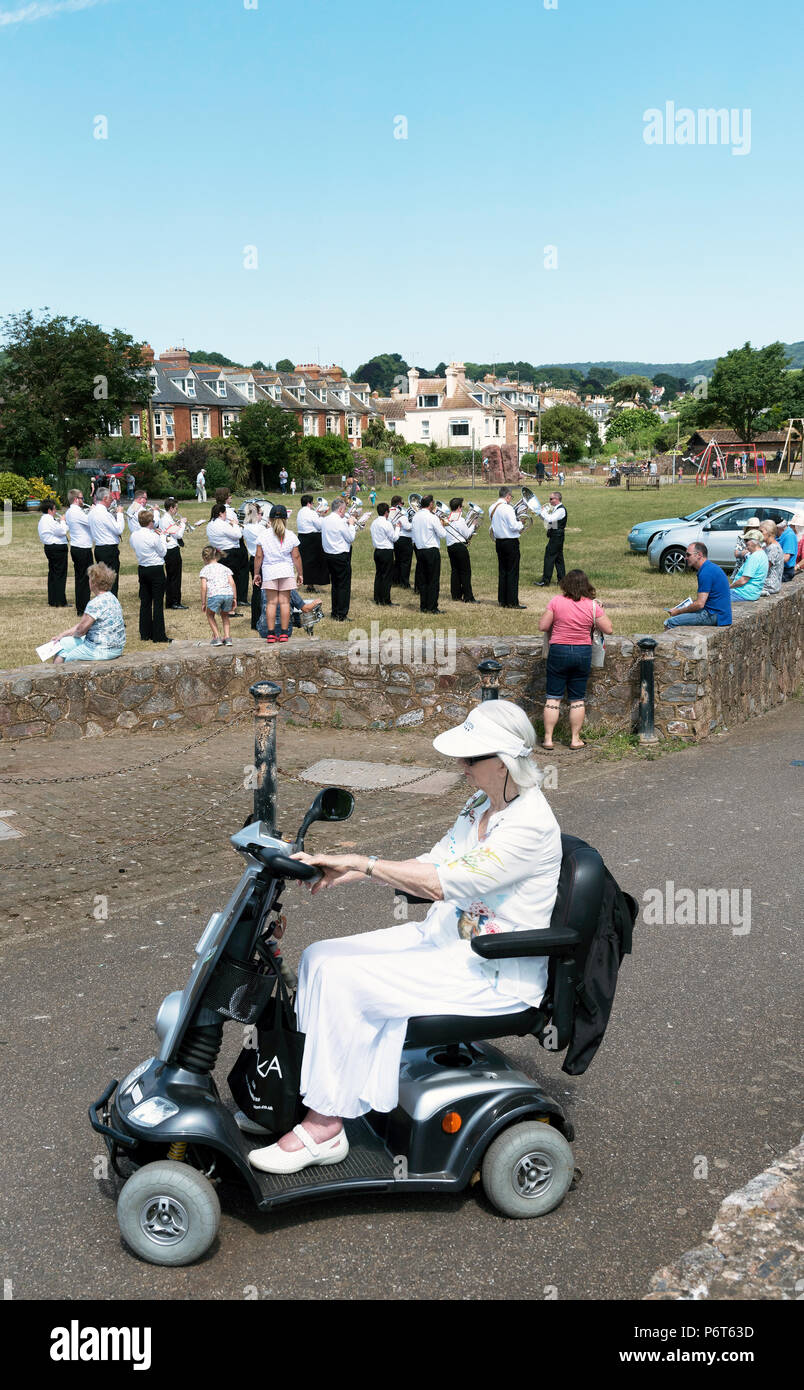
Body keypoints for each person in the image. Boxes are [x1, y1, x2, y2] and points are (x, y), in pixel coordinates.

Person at [243, 699, 563, 1174]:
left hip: (490, 968)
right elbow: (434, 861)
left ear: (502, 762)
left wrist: (364, 863)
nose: (460, 766)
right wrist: (346, 870)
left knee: (347, 981)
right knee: (318, 958)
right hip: (445, 940)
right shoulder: (482, 803)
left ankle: (325, 1128)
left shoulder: (530, 826)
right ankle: (307, 1091)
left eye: (470, 759)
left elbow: (442, 884)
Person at [539, 570, 613, 751]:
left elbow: (543, 626)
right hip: (582, 652)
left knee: (553, 698)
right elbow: (609, 629)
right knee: (577, 699)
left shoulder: (556, 601)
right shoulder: (592, 606)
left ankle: (548, 739)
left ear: (565, 584)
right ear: (586, 585)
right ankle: (575, 738)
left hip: (558, 651)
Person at [50, 563, 126, 662]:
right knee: (64, 642)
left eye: (90, 579)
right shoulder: (112, 598)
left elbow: (81, 630)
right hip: (117, 648)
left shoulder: (95, 603)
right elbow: (84, 625)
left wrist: (71, 636)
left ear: (94, 583)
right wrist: (63, 635)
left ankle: (58, 675)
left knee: (69, 655)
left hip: (101, 649)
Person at [254, 504, 303, 644]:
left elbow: (258, 557)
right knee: (285, 603)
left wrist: (257, 573)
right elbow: (296, 557)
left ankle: (270, 633)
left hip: (269, 571)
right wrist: (300, 573)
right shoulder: (291, 535)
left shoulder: (263, 535)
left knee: (271, 603)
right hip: (286, 571)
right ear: (286, 518)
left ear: (269, 518)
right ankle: (283, 633)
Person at [664, 542, 732, 628]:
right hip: (721, 615)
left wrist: (678, 611)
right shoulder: (710, 567)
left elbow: (700, 604)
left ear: (699, 555)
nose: (685, 558)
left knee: (670, 622)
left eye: (688, 555)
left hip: (715, 615)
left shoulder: (706, 572)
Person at [129, 509, 170, 643]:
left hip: (143, 568)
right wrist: (162, 537)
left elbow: (134, 547)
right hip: (156, 569)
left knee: (145, 602)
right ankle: (159, 635)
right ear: (150, 522)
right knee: (157, 603)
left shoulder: (134, 535)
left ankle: (145, 633)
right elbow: (163, 552)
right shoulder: (153, 536)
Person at [206, 502, 246, 615]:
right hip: (230, 553)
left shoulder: (210, 524)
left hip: (219, 552)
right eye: (224, 514)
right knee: (232, 580)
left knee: (223, 580)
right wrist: (235, 525)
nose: (225, 516)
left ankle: (223, 606)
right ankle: (230, 609)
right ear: (220, 513)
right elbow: (237, 535)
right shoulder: (222, 524)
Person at [321, 496, 356, 622]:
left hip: (329, 555)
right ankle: (342, 613)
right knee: (344, 586)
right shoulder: (340, 522)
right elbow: (350, 538)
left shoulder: (325, 520)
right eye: (344, 510)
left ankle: (335, 611)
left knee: (335, 584)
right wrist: (351, 525)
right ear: (341, 510)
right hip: (340, 555)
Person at [489, 487, 525, 609]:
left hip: (499, 541)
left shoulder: (492, 507)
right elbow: (514, 526)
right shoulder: (508, 508)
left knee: (503, 571)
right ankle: (512, 601)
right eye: (511, 497)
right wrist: (521, 522)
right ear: (508, 496)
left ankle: (502, 600)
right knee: (512, 572)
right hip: (510, 542)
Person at [411, 494, 446, 614]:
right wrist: (441, 524)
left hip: (419, 550)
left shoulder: (416, 516)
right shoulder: (432, 517)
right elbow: (442, 534)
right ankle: (432, 606)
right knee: (433, 579)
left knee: (423, 579)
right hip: (431, 550)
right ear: (430, 504)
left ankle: (424, 606)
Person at [213, 488, 249, 604]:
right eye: (229, 495)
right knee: (242, 570)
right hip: (234, 543)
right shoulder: (229, 511)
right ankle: (241, 597)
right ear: (225, 498)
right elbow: (235, 527)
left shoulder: (217, 509)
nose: (231, 497)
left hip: (223, 544)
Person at [88, 487, 125, 596]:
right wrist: (120, 514)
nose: (112, 500)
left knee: (102, 580)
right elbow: (119, 529)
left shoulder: (92, 512)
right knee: (111, 580)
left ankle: (103, 599)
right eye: (110, 498)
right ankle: (111, 602)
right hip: (109, 549)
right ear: (104, 498)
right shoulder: (104, 513)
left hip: (99, 547)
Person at [64, 487, 94, 614]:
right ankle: (83, 607)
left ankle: (81, 607)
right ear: (76, 499)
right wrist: (92, 511)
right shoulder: (76, 512)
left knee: (80, 578)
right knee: (84, 579)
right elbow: (90, 522)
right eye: (81, 498)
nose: (83, 500)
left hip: (78, 547)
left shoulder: (71, 511)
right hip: (82, 548)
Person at [200, 544, 237, 646]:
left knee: (210, 615)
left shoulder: (205, 570)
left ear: (204, 558)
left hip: (215, 595)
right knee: (225, 615)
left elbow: (204, 587)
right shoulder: (225, 568)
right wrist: (234, 598)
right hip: (228, 594)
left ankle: (216, 637)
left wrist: (203, 602)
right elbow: (232, 583)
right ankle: (228, 637)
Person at [37, 500, 69, 607]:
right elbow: (62, 531)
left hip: (50, 548)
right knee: (60, 575)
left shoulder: (44, 519)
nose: (56, 511)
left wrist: (61, 523)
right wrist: (63, 521)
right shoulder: (49, 520)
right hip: (57, 548)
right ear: (49, 510)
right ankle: (60, 601)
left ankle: (53, 599)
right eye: (54, 509)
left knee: (53, 574)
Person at [445, 497, 477, 603]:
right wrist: (473, 525)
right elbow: (467, 534)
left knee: (455, 571)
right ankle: (468, 596)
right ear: (459, 507)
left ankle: (456, 595)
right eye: (462, 506)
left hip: (450, 547)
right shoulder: (460, 519)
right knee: (465, 572)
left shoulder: (447, 518)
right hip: (460, 547)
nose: (462, 508)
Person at [158, 498, 188, 610]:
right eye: (176, 508)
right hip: (171, 549)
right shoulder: (167, 519)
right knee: (175, 577)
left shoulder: (167, 519)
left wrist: (178, 523)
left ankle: (171, 601)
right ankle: (175, 601)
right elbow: (178, 535)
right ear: (171, 508)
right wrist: (183, 524)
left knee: (171, 577)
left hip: (169, 549)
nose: (177, 510)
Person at [296, 494, 329, 593]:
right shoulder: (311, 513)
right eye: (312, 503)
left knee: (306, 562)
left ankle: (309, 584)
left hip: (302, 538)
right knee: (315, 562)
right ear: (309, 503)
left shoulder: (300, 512)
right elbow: (319, 526)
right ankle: (313, 583)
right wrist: (322, 516)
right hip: (312, 539)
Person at [242, 503, 266, 629]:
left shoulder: (246, 528)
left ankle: (255, 620)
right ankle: (261, 619)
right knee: (261, 590)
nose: (262, 516)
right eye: (261, 513)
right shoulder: (260, 528)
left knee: (256, 590)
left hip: (252, 557)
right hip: (261, 559)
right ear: (256, 514)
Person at [536, 491, 567, 587]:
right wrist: (539, 513)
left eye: (551, 499)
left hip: (557, 537)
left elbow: (550, 519)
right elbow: (549, 521)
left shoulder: (561, 510)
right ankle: (562, 580)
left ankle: (545, 581)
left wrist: (542, 511)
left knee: (549, 557)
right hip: (555, 536)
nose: (549, 501)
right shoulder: (555, 509)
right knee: (558, 559)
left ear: (557, 499)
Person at [729, 530, 769, 602]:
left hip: (743, 593)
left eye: (746, 540)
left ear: (754, 542)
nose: (745, 543)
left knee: (712, 598)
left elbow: (743, 580)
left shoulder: (754, 557)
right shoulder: (762, 554)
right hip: (752, 593)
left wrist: (729, 587)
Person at [370, 503, 397, 607]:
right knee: (387, 576)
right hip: (386, 551)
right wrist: (398, 528)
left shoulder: (374, 522)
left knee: (379, 575)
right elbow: (394, 538)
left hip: (377, 551)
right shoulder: (386, 523)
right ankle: (385, 599)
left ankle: (377, 598)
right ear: (386, 512)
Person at [390, 494, 413, 589]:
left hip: (395, 539)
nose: (403, 505)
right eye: (402, 503)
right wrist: (414, 521)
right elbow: (408, 527)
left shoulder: (390, 511)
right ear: (399, 503)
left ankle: (396, 580)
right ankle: (404, 583)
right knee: (405, 562)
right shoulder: (400, 513)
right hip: (404, 539)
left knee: (398, 561)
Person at [759, 521, 784, 596]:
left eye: (761, 531)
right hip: (768, 583)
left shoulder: (773, 548)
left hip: (770, 585)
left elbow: (764, 568)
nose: (759, 534)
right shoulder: (766, 546)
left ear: (769, 532)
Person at [775, 517, 798, 583]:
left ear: (777, 528)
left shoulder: (789, 535)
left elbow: (786, 558)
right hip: (779, 569)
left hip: (785, 571)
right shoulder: (778, 534)